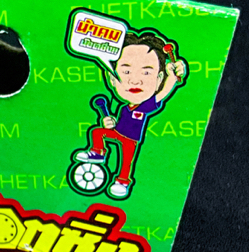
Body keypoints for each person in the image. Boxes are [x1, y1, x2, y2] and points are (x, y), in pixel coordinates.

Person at [74, 32, 187, 198]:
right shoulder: (125, 108)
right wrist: (110, 122)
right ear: (112, 78)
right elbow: (119, 123)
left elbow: (163, 93)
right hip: (118, 132)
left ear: (159, 79)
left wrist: (172, 78)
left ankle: (122, 181)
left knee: (126, 162)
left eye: (146, 73)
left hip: (131, 140)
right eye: (126, 71)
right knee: (97, 132)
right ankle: (98, 153)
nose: (135, 81)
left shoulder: (145, 106)